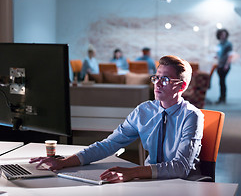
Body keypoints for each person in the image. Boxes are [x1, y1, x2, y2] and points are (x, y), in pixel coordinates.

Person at [30, 55, 204, 183]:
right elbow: (109, 144)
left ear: (181, 86)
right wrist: (64, 162)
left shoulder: (191, 117)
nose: (157, 84)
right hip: (148, 182)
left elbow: (181, 167)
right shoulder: (144, 110)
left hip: (183, 184)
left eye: (165, 79)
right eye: (156, 77)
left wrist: (132, 172)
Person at [215, 29, 233, 104]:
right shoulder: (219, 44)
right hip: (219, 65)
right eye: (221, 34)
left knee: (222, 81)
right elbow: (218, 54)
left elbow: (230, 55)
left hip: (225, 65)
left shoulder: (228, 44)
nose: (223, 36)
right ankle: (221, 97)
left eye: (224, 34)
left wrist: (227, 65)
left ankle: (223, 98)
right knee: (221, 82)